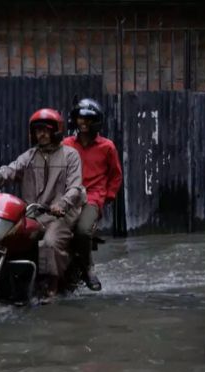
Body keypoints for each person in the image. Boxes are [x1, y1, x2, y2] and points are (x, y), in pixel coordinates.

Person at [0, 108, 85, 297]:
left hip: (59, 214)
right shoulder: (30, 156)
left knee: (50, 242)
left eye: (46, 130)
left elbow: (75, 188)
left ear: (56, 131)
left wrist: (62, 204)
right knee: (6, 235)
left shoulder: (70, 156)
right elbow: (10, 170)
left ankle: (50, 285)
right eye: (38, 130)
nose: (42, 134)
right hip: (33, 213)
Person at [62, 98, 123, 291]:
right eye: (80, 119)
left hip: (93, 198)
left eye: (88, 119)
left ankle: (89, 267)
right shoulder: (66, 144)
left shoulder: (107, 147)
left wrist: (107, 197)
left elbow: (116, 176)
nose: (84, 123)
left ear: (96, 122)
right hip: (68, 196)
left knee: (82, 230)